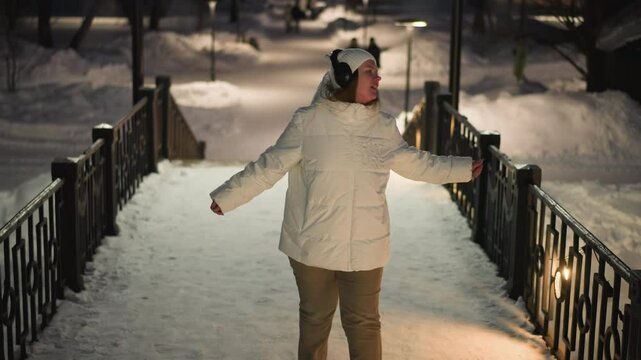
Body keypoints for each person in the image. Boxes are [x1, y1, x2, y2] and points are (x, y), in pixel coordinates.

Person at [209, 48, 483, 360]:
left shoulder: (382, 127)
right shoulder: (308, 122)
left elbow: (416, 163)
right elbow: (269, 166)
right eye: (369, 71)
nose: (377, 77)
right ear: (345, 77)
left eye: (377, 71)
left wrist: (460, 169)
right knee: (314, 322)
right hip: (312, 246)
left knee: (364, 324)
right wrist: (229, 196)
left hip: (365, 247)